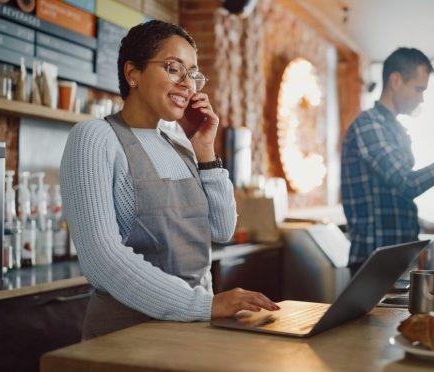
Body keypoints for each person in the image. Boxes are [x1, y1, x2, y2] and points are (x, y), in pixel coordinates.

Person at [60, 20, 278, 340]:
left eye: (193, 74)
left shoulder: (180, 143)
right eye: (174, 68)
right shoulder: (95, 137)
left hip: (192, 328)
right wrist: (201, 305)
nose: (188, 84)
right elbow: (102, 261)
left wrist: (204, 149)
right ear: (132, 73)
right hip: (126, 336)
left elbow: (221, 229)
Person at [341, 47, 434, 272]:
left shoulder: (394, 129)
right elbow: (406, 184)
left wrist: (429, 226)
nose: (421, 98)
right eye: (418, 89)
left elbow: (395, 201)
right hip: (374, 261)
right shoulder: (369, 125)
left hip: (396, 256)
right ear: (395, 80)